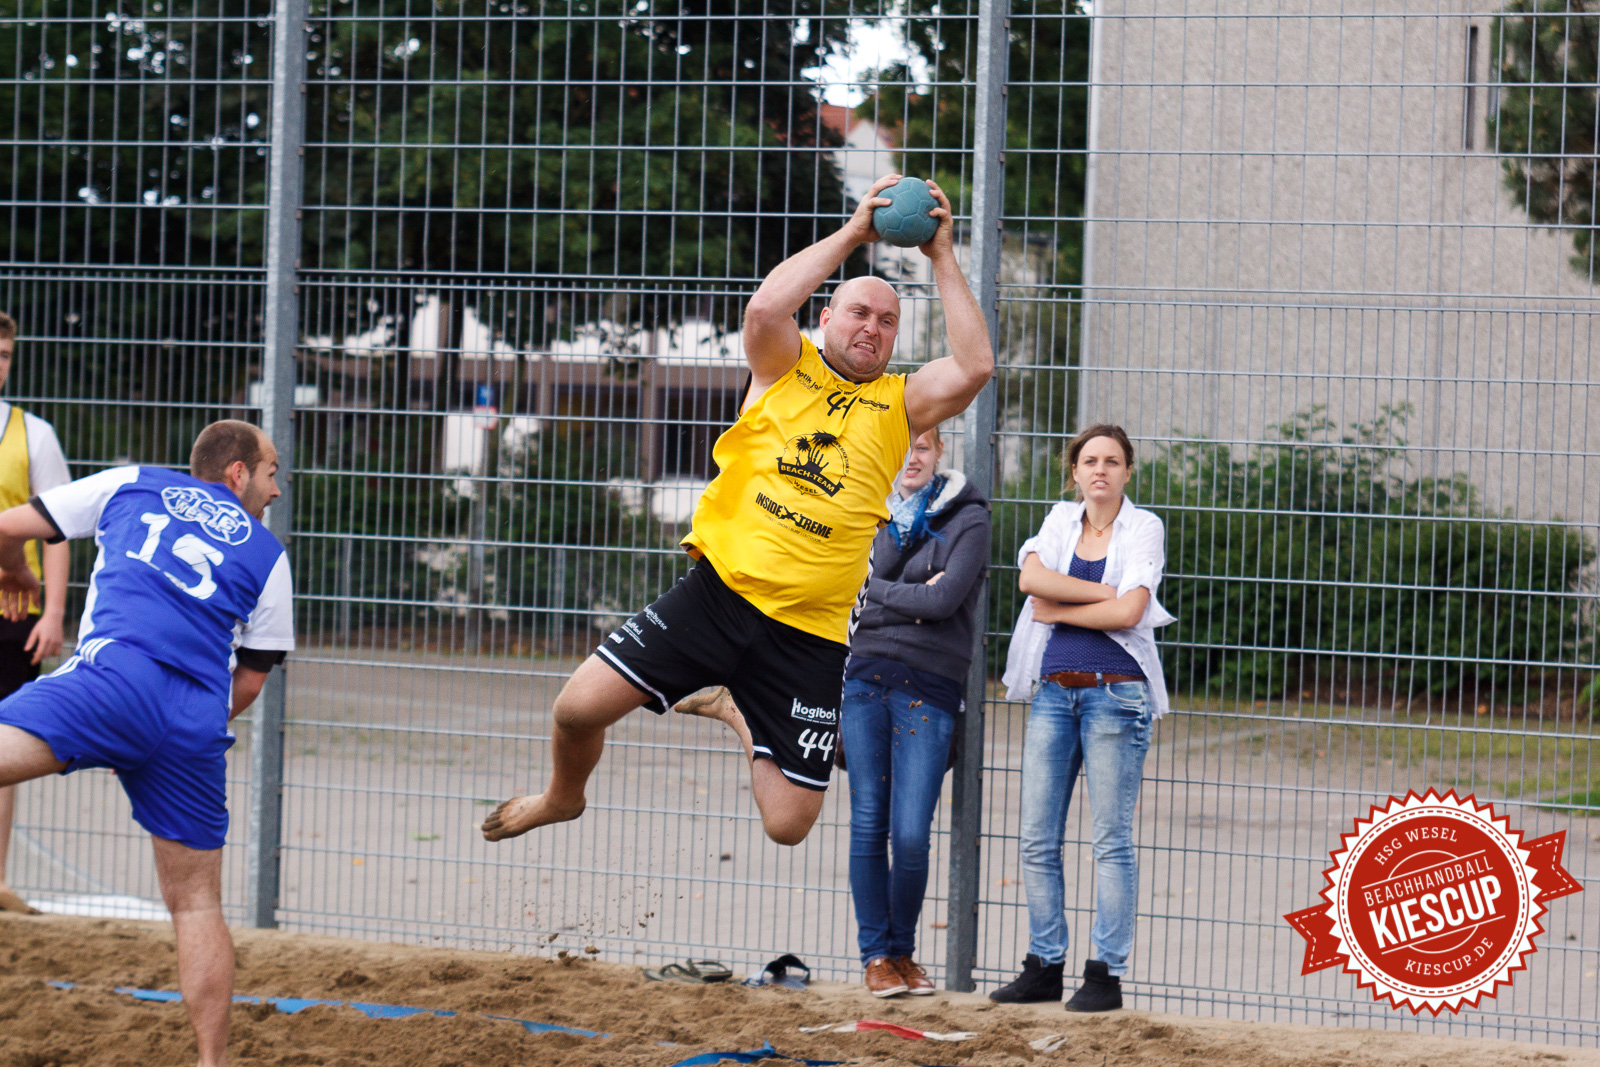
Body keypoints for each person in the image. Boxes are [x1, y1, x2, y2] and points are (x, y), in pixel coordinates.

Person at [482, 173, 994, 847]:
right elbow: (761, 311)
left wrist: (943, 256)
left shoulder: (902, 402)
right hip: (719, 597)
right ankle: (561, 795)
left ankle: (732, 703)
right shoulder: (785, 364)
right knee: (575, 709)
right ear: (826, 318)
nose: (872, 326)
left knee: (788, 825)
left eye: (888, 320)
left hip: (808, 635)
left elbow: (976, 364)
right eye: (859, 312)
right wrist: (853, 232)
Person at [0, 420, 295, 1067]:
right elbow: (249, 679)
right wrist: (162, 737)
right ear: (237, 473)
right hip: (192, 720)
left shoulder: (132, 484)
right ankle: (211, 1062)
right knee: (196, 903)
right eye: (272, 472)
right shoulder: (270, 557)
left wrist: (15, 570)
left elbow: (7, 524)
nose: (277, 488)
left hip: (111, 680)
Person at [990, 424, 1175, 1012]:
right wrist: (1105, 598)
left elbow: (1133, 610)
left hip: (1114, 696)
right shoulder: (1059, 521)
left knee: (1110, 842)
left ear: (1127, 472)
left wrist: (1063, 604)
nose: (1100, 469)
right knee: (1036, 839)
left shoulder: (1144, 527)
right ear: (1075, 472)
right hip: (1053, 693)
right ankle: (1044, 965)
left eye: (1113, 461)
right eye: (1090, 460)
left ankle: (1105, 975)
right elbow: (1029, 583)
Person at [841, 424, 989, 997]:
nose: (912, 458)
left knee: (910, 834)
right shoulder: (863, 512)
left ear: (939, 452)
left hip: (928, 688)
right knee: (867, 823)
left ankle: (904, 951)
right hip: (862, 680)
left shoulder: (967, 517)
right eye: (901, 448)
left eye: (922, 447)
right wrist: (912, 597)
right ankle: (877, 957)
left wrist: (873, 590)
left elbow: (944, 600)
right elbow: (850, 589)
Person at [0, 312, 73, 914]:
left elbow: (57, 532)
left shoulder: (35, 435)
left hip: (10, 612)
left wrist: (52, 613)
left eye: (4, 354)